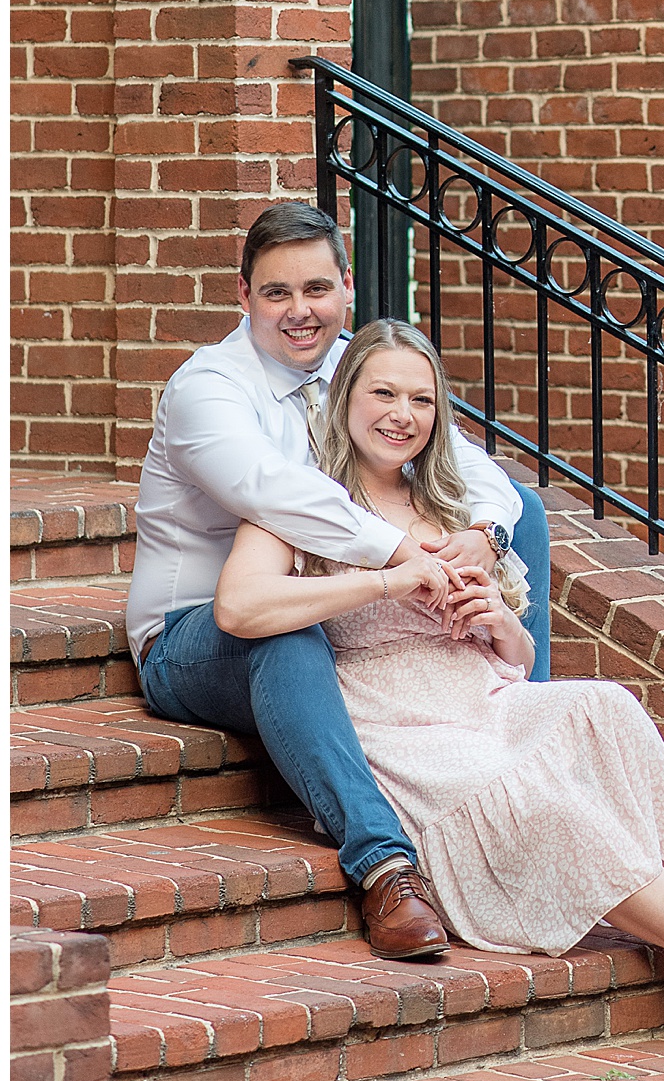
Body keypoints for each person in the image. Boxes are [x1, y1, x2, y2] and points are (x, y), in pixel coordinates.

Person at [214, 318, 664, 1064]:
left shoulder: (452, 507)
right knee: (541, 802)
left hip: (488, 698)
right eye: (383, 393)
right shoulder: (306, 504)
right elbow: (239, 609)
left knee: (608, 707)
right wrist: (390, 576)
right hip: (402, 727)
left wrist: (499, 620)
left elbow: (520, 655)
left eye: (422, 400)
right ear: (344, 399)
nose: (401, 415)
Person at [129, 201, 551, 963]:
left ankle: (523, 728)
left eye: (317, 289)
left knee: (528, 521)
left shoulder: (359, 369)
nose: (301, 312)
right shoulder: (210, 389)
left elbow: (481, 475)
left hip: (337, 609)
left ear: (348, 288)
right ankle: (385, 867)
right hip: (202, 630)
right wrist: (405, 556)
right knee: (284, 633)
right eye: (277, 292)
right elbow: (283, 495)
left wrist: (480, 541)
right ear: (244, 294)